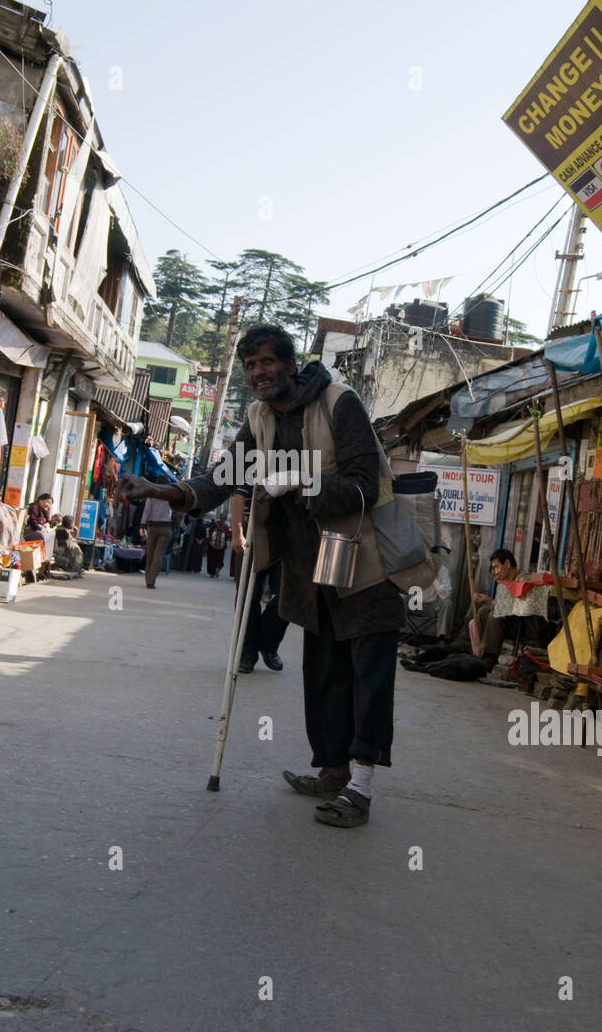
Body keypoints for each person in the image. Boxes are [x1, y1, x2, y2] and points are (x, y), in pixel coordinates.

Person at [118, 323, 406, 828]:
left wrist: (300, 481)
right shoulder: (257, 419)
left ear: (291, 364)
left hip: (365, 564)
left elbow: (366, 484)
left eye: (267, 362)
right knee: (323, 676)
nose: (258, 373)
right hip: (310, 571)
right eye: (250, 366)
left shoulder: (341, 404)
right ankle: (333, 770)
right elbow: (220, 480)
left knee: (368, 678)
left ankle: (360, 788)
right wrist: (160, 490)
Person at [231, 486, 287, 673]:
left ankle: (267, 643)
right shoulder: (256, 457)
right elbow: (239, 496)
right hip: (254, 530)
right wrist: (237, 532)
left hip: (287, 533)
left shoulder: (301, 459)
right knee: (247, 595)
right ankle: (247, 652)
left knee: (288, 594)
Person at [471, 548, 551, 668]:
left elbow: (517, 606)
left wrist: (489, 602)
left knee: (495, 614)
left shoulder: (524, 580)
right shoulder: (506, 582)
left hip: (527, 625)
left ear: (507, 564)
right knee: (482, 612)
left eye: (497, 567)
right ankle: (483, 653)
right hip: (513, 622)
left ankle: (490, 657)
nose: (495, 572)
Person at [140, 491, 174, 588]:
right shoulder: (170, 495)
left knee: (150, 554)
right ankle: (151, 580)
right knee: (158, 555)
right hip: (166, 527)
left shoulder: (152, 494)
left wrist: (142, 524)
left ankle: (148, 580)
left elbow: (147, 510)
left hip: (152, 527)